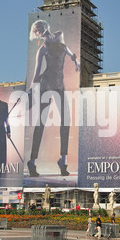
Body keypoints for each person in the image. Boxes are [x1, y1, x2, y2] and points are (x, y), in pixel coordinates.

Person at [26, 19, 79, 178]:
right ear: (36, 34)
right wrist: (31, 90)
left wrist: (75, 59)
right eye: (36, 31)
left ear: (45, 26)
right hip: (46, 85)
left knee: (66, 120)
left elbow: (66, 49)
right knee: (41, 123)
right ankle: (32, 162)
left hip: (59, 85)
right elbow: (36, 73)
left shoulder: (60, 36)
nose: (39, 31)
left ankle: (63, 161)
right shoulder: (42, 49)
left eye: (39, 27)